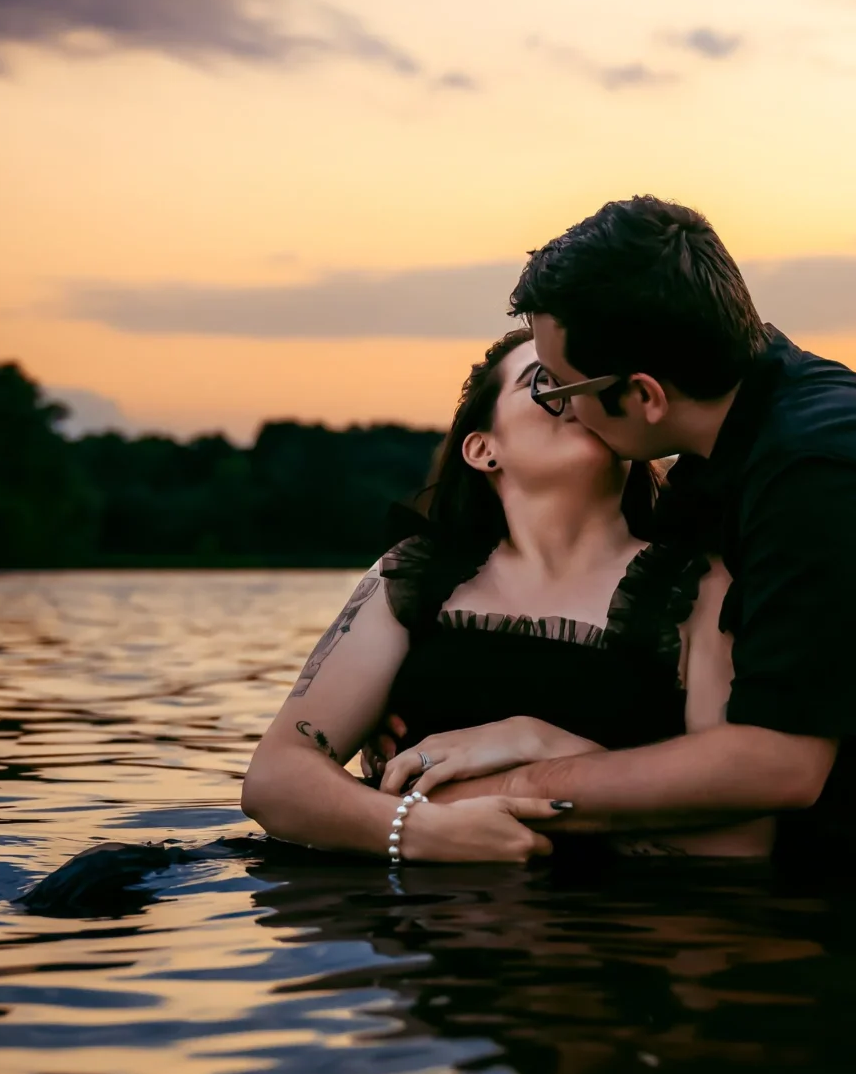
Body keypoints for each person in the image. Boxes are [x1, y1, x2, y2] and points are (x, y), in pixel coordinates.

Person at [421, 194, 856, 867]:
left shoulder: (828, 475)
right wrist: (446, 711)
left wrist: (500, 790)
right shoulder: (727, 441)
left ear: (643, 396)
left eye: (562, 390)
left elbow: (776, 763)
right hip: (798, 867)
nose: (561, 410)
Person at [241, 328, 760, 863]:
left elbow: (742, 839)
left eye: (585, 381)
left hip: (615, 932)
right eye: (546, 383)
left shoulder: (700, 588)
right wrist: (417, 832)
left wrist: (546, 748)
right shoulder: (415, 577)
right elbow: (275, 781)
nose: (573, 398)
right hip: (417, 932)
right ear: (483, 448)